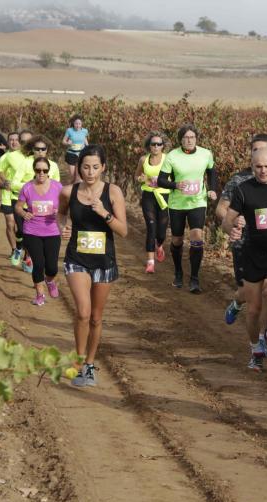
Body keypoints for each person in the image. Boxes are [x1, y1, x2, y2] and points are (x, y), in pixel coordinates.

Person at [58, 145, 127, 387]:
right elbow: (61, 214)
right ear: (79, 168)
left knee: (96, 318)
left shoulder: (113, 192)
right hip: (76, 258)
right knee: (83, 312)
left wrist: (104, 213)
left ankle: (89, 364)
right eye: (86, 167)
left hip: (103, 261)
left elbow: (123, 231)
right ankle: (78, 361)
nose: (90, 171)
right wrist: (63, 227)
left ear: (103, 168)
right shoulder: (68, 192)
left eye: (95, 167)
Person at [222, 149, 267, 372]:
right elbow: (227, 220)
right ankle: (255, 351)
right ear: (252, 167)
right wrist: (231, 230)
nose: (263, 171)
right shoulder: (243, 190)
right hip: (253, 255)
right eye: (258, 167)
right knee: (254, 310)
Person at [216, 133, 267, 324]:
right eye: (254, 150)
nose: (258, 154)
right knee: (251, 291)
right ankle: (236, 302)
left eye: (262, 149)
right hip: (245, 244)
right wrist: (233, 221)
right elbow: (220, 209)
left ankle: (265, 334)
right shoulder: (238, 180)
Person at [155, 124, 218, 293]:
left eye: (192, 137)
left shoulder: (206, 154)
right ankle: (178, 272)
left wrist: (212, 189)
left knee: (197, 237)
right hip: (177, 204)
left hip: (198, 202)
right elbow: (161, 180)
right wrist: (175, 184)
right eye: (186, 138)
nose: (189, 140)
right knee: (177, 240)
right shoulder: (172, 156)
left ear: (196, 139)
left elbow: (212, 172)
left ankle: (195, 279)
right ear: (180, 140)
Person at [14, 156, 64, 306]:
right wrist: (24, 213)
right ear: (34, 171)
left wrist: (59, 212)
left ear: (49, 171)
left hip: (52, 231)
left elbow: (65, 207)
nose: (41, 173)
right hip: (32, 231)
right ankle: (40, 295)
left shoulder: (57, 187)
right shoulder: (27, 187)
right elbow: (17, 206)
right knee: (38, 264)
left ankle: (50, 281)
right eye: (38, 170)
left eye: (45, 170)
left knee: (52, 267)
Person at [0, 130, 33, 263]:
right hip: (8, 196)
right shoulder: (5, 157)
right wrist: (4, 184)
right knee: (11, 224)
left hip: (26, 198)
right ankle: (14, 249)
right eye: (11, 139)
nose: (14, 142)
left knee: (24, 228)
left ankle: (26, 254)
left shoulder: (30, 157)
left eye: (17, 140)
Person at [134, 131, 169, 273]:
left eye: (158, 144)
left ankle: (159, 244)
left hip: (164, 196)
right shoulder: (143, 159)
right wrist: (140, 179)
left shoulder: (168, 160)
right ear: (149, 146)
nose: (155, 147)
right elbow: (137, 175)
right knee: (151, 227)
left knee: (161, 230)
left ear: (163, 146)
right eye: (153, 144)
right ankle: (150, 262)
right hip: (148, 195)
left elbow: (174, 177)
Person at [62, 115, 88, 183]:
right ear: (73, 123)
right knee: (73, 175)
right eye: (76, 123)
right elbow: (63, 141)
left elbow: (85, 139)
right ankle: (71, 187)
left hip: (81, 153)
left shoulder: (85, 131)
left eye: (79, 124)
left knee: (80, 175)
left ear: (81, 124)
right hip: (71, 154)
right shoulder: (69, 130)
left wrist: (88, 147)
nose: (78, 125)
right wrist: (68, 143)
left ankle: (79, 190)